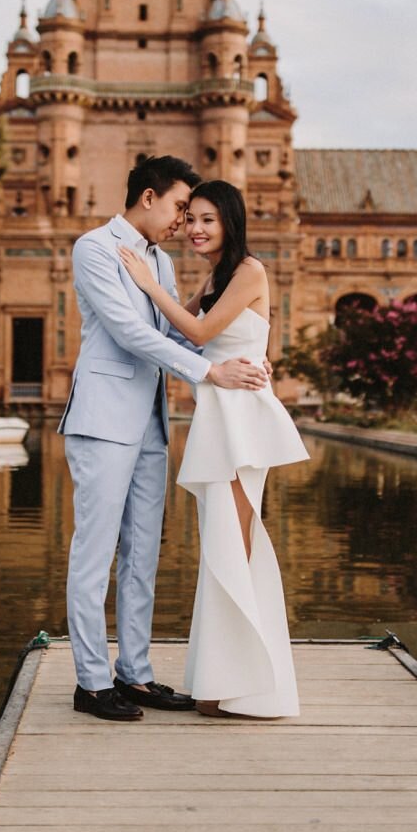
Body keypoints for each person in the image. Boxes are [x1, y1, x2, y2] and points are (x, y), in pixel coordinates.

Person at [60, 156, 269, 722]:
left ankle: (136, 674)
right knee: (94, 553)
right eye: (180, 206)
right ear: (148, 198)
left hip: (152, 422)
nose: (184, 220)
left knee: (142, 554)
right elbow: (130, 333)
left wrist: (239, 361)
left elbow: (176, 331)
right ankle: (92, 683)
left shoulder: (160, 262)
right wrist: (208, 372)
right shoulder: (94, 248)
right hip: (103, 420)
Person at [118, 179, 308, 718]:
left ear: (229, 222)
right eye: (191, 218)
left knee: (235, 547)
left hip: (243, 422)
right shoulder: (217, 279)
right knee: (221, 548)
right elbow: (176, 338)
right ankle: (218, 684)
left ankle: (243, 686)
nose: (196, 229)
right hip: (220, 416)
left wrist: (150, 287)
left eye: (207, 220)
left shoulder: (250, 271)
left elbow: (198, 334)